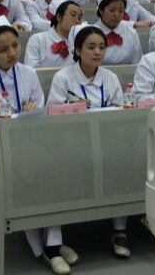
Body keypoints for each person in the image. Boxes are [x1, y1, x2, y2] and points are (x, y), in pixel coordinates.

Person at [0, 17, 78, 275]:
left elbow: (41, 115)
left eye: (15, 46)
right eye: (3, 49)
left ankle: (52, 245)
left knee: (52, 171)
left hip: (23, 142)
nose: (12, 53)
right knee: (12, 182)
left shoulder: (28, 74)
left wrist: (34, 110)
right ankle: (43, 249)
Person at [47, 24, 130, 259]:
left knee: (122, 164)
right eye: (91, 47)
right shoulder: (63, 78)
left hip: (105, 139)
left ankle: (120, 230)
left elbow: (119, 110)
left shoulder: (110, 78)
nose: (97, 52)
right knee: (59, 172)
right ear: (77, 50)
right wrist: (74, 108)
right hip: (70, 140)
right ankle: (54, 240)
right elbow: (53, 113)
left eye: (102, 47)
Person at [24, 0, 81, 68]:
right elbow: (31, 69)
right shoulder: (38, 39)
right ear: (59, 17)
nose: (77, 21)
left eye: (79, 18)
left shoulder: (80, 43)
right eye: (73, 15)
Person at [94, 0, 142, 65]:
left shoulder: (131, 33)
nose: (116, 15)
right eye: (112, 10)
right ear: (101, 10)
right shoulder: (90, 34)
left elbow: (137, 63)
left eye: (121, 11)